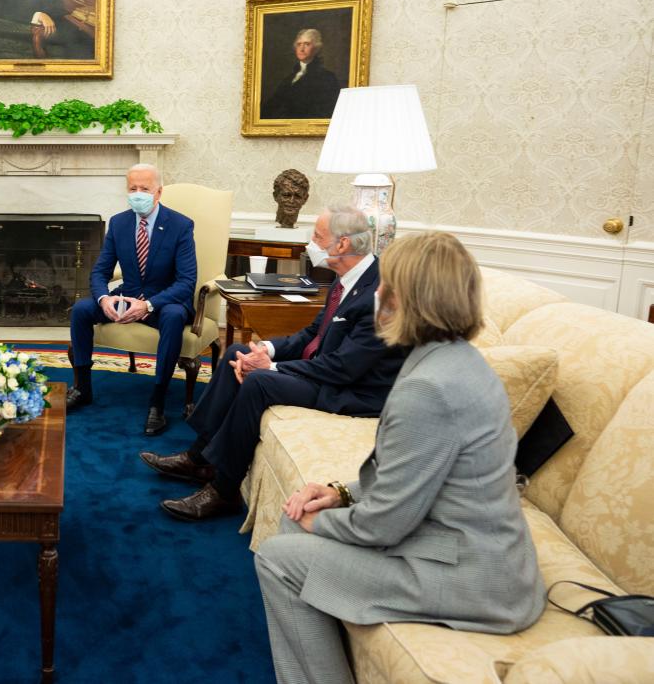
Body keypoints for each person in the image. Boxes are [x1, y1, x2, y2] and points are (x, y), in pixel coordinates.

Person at [255, 231, 545, 684]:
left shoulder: (429, 389)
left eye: (384, 284)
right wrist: (339, 493)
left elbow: (383, 525)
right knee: (298, 515)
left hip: (472, 580)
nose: (375, 294)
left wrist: (325, 521)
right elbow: (410, 474)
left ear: (401, 298)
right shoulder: (456, 359)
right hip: (459, 545)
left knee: (277, 557)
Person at [145, 205, 407, 521]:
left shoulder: (379, 293)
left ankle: (223, 491)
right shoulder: (346, 279)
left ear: (343, 245)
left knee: (259, 381)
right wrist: (265, 350)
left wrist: (271, 368)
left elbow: (344, 367)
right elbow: (313, 333)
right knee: (235, 354)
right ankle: (198, 457)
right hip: (327, 369)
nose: (311, 242)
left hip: (351, 389)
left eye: (318, 236)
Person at [68, 164, 197, 436]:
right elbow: (101, 271)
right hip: (127, 296)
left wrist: (148, 305)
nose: (138, 194)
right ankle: (82, 388)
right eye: (133, 189)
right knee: (81, 309)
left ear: (158, 193)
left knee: (174, 317)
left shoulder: (181, 225)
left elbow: (186, 282)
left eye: (145, 189)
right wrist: (104, 299)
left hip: (164, 301)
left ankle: (157, 404)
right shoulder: (119, 222)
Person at [260, 28, 342, 120]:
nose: (302, 49)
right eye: (299, 44)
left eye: (307, 44)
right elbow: (272, 106)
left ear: (316, 48)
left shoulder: (327, 78)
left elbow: (328, 111)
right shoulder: (288, 79)